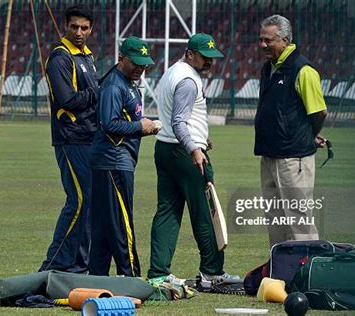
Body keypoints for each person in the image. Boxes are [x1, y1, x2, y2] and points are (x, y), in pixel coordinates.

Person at [148, 33, 239, 284]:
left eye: (212, 57)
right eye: (204, 57)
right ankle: (212, 272)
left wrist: (199, 137)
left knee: (167, 212)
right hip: (185, 154)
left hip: (164, 148)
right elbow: (179, 122)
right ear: (190, 54)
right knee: (205, 212)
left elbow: (174, 119)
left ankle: (158, 273)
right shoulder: (189, 80)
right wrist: (195, 148)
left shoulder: (172, 72)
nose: (209, 62)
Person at [254, 15, 328, 247]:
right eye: (261, 39)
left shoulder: (303, 70)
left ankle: (307, 272)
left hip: (293, 158)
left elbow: (319, 112)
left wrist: (309, 134)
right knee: (275, 219)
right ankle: (281, 271)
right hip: (269, 155)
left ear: (285, 40)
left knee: (298, 219)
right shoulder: (269, 68)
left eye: (269, 40)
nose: (263, 45)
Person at [88, 36, 158, 277]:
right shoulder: (115, 86)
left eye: (144, 63)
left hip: (116, 162)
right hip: (113, 163)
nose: (141, 68)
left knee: (104, 226)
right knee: (121, 223)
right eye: (136, 62)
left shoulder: (127, 82)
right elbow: (109, 123)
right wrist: (141, 127)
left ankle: (96, 277)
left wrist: (144, 126)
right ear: (121, 58)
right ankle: (131, 277)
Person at [39, 5, 98, 273]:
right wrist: (98, 93)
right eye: (74, 27)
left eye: (84, 28)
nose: (79, 32)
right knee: (79, 200)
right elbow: (67, 100)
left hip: (89, 138)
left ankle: (79, 266)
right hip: (70, 139)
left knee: (88, 203)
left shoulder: (87, 56)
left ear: (91, 29)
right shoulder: (60, 58)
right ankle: (54, 265)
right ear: (66, 26)